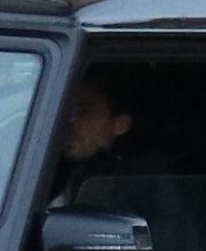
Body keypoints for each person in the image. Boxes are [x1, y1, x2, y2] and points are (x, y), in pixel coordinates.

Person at [48, 68, 167, 207]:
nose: (70, 119)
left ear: (121, 125)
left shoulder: (147, 179)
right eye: (68, 109)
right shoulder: (45, 163)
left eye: (85, 112)